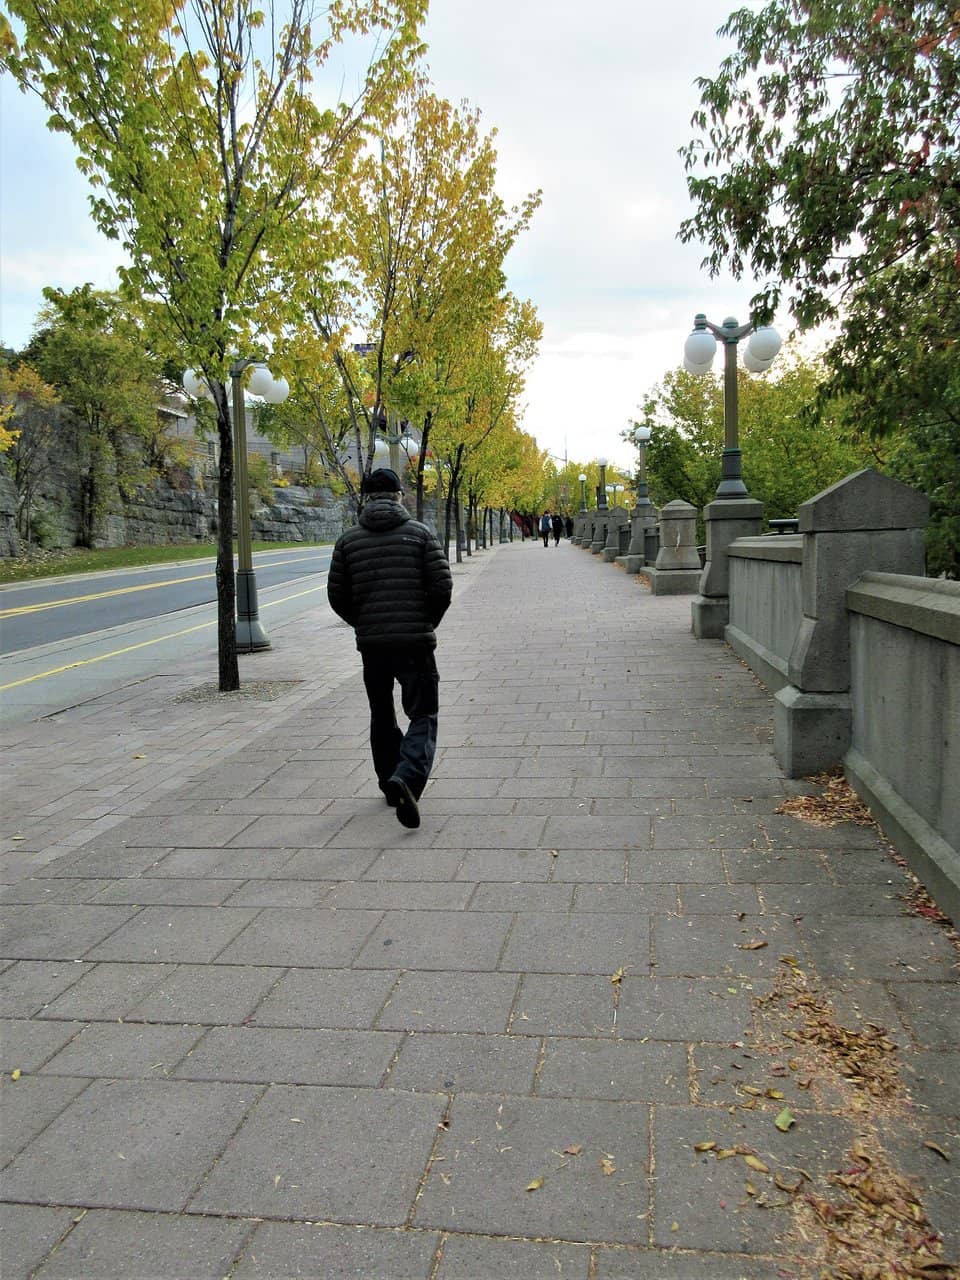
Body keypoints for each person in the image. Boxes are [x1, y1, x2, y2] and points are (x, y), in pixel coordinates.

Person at [327, 468, 453, 829]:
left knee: (382, 713)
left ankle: (390, 783)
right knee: (423, 712)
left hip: (373, 645)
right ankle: (408, 775)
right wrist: (426, 622)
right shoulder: (420, 535)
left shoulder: (348, 542)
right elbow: (442, 588)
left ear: (366, 497)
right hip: (415, 642)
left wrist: (365, 623)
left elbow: (337, 596)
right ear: (399, 495)